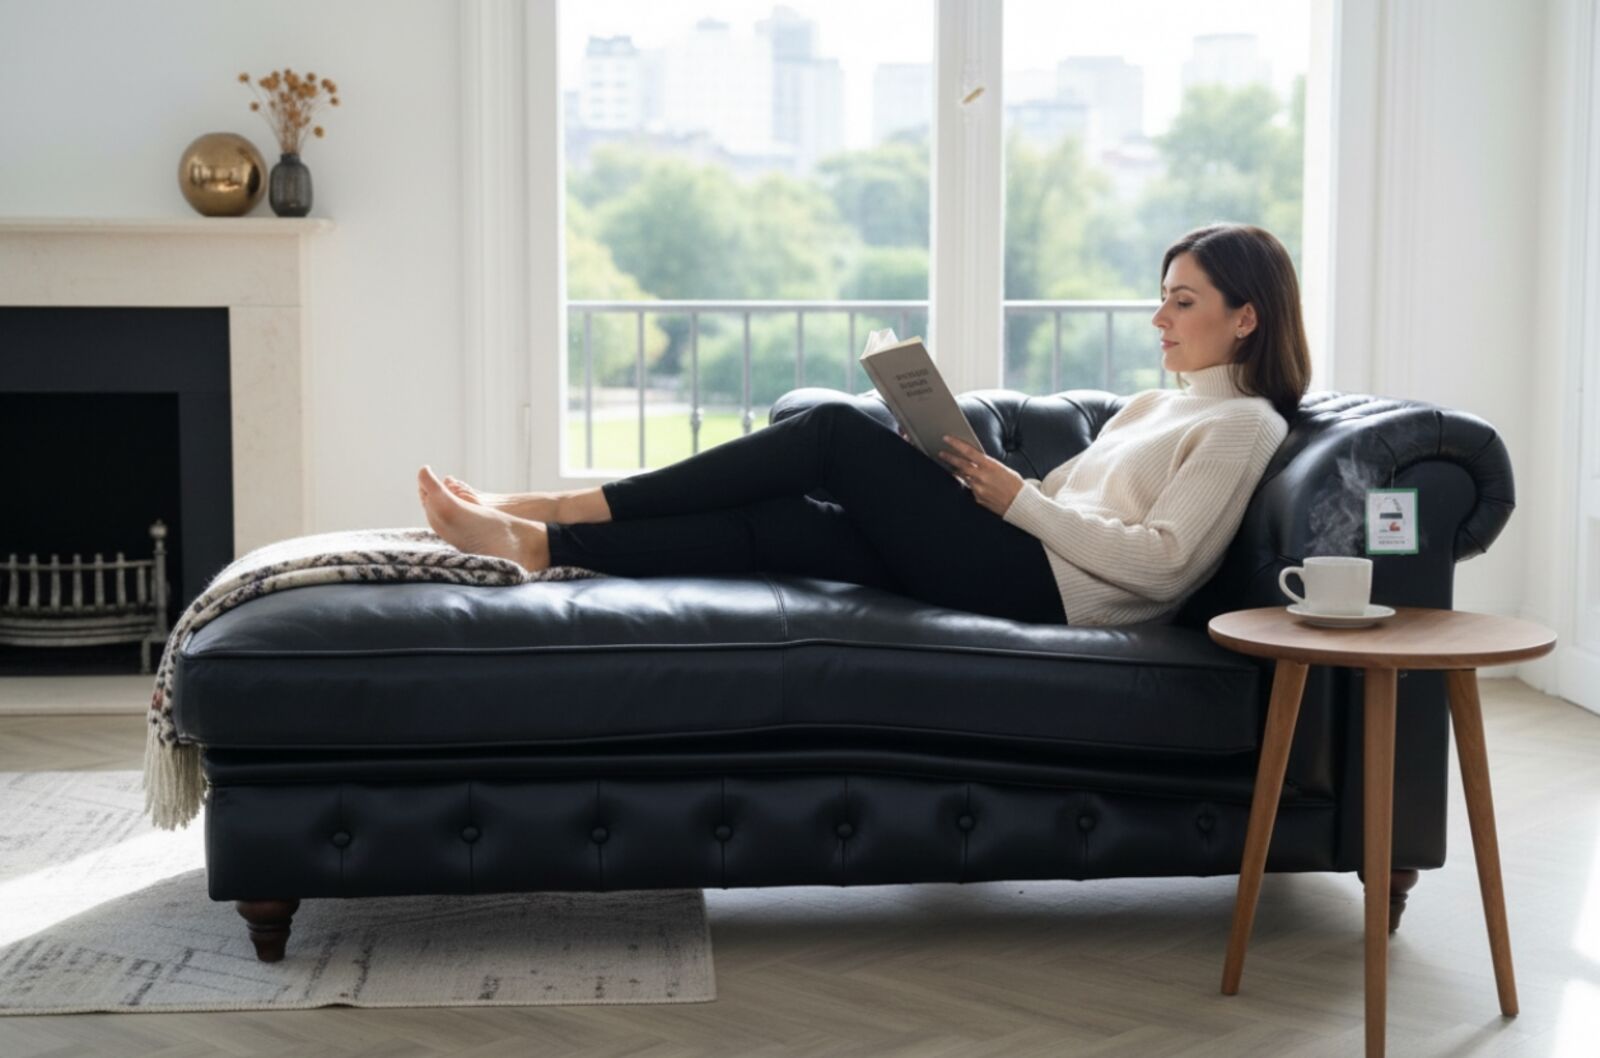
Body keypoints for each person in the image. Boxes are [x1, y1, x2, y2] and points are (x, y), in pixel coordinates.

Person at [416, 222, 1310, 627]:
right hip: (1020, 545)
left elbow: (1161, 564)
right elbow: (1073, 505)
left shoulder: (1245, 429)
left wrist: (1019, 504)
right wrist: (979, 473)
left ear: (1246, 317)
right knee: (787, 525)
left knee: (835, 434)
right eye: (1161, 299)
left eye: (1182, 303)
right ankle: (538, 548)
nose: (1160, 320)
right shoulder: (1159, 405)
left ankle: (564, 507)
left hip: (1053, 592)